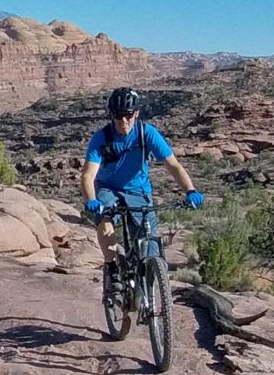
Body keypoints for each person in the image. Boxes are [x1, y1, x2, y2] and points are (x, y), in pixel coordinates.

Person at [79, 88, 201, 296]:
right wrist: (92, 200)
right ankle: (112, 268)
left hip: (138, 191)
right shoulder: (102, 137)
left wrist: (190, 190)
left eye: (128, 115)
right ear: (111, 116)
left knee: (150, 243)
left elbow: (173, 165)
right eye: (118, 116)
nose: (123, 121)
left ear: (136, 114)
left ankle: (151, 289)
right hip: (109, 188)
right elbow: (88, 175)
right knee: (106, 223)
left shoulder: (147, 133)